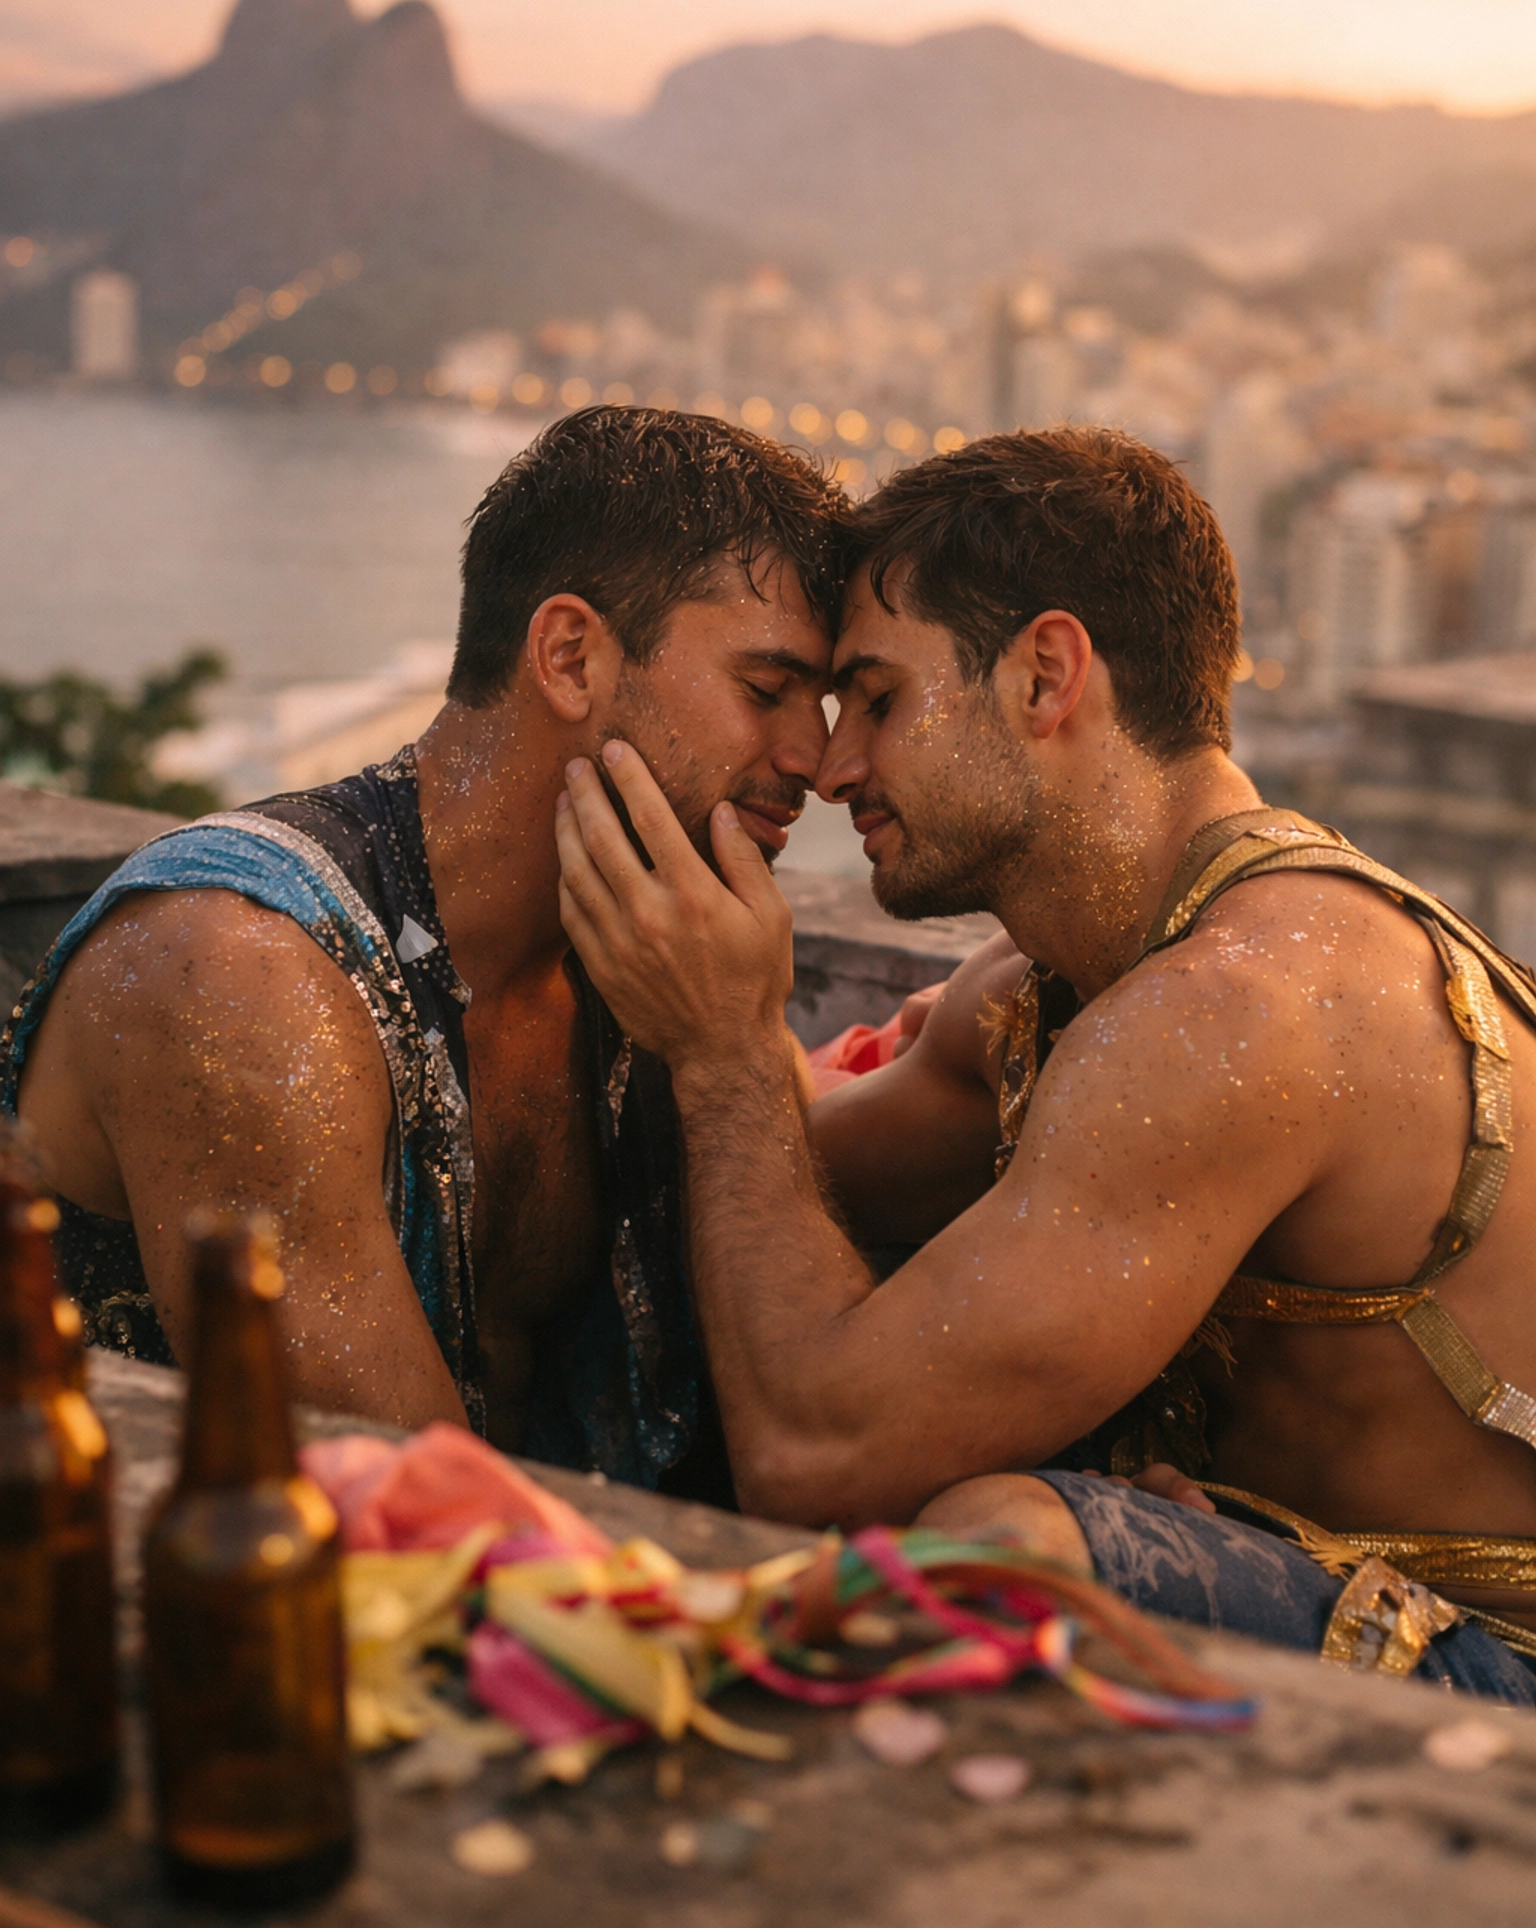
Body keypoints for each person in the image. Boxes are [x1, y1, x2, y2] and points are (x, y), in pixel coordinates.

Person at [555, 424, 1536, 1697]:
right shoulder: (1037, 998)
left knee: (1002, 1548)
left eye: (882, 700)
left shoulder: (1241, 1008)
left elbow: (814, 1455)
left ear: (1045, 675)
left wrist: (731, 1044)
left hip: (1493, 1681)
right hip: (1297, 1565)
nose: (834, 765)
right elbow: (752, 1200)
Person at [3, 408, 847, 1493]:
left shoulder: (657, 962)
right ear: (570, 655)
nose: (814, 759)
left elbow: (833, 1205)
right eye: (767, 691)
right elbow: (415, 1510)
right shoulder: (232, 966)